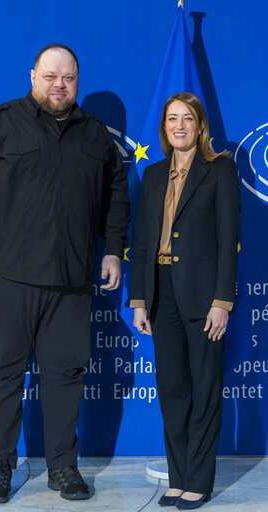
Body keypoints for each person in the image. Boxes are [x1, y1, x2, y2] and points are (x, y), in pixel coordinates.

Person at [0, 43, 130, 504]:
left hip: (70, 282)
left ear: (77, 81)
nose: (59, 84)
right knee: (4, 373)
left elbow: (117, 198)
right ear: (33, 76)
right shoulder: (0, 122)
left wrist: (113, 253)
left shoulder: (94, 135)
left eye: (67, 77)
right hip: (7, 277)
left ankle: (63, 468)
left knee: (64, 376)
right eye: (50, 76)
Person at [130, 93, 240, 510]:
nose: (179, 126)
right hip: (160, 290)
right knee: (172, 391)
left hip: (203, 294)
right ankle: (178, 478)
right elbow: (142, 242)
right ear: (164, 127)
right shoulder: (154, 174)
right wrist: (139, 299)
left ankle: (199, 480)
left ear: (200, 125)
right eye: (172, 119)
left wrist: (221, 302)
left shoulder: (220, 170)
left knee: (205, 389)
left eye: (187, 119)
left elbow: (229, 242)